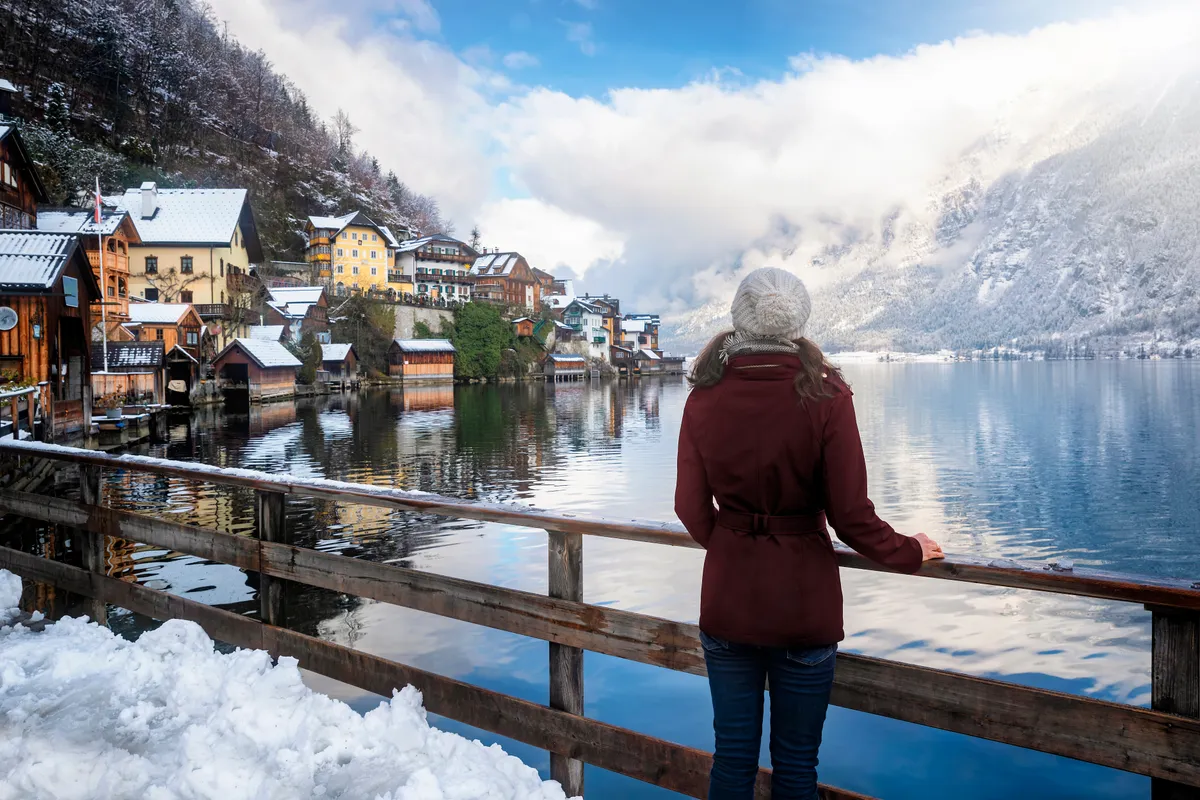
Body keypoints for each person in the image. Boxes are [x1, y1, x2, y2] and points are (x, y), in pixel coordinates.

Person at [675, 267, 944, 800]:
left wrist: (732, 547)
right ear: (797, 322)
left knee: (731, 758)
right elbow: (851, 516)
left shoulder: (704, 395)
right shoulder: (827, 394)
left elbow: (690, 507)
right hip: (804, 604)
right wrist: (910, 551)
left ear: (740, 317)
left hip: (728, 599)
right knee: (797, 766)